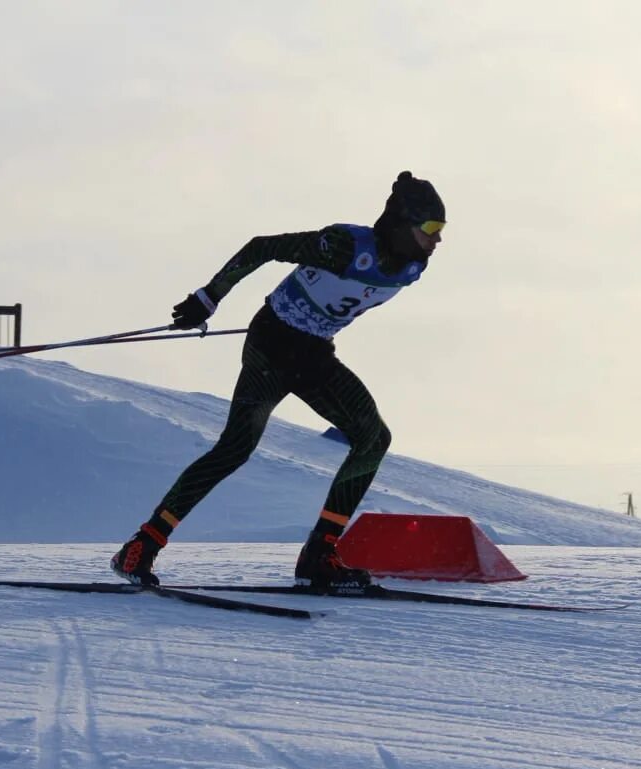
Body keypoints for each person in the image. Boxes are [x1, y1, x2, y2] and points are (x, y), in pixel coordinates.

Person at [110, 171, 446, 594]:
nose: (437, 240)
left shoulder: (412, 267)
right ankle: (141, 547)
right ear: (402, 224)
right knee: (235, 449)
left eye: (441, 231)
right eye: (431, 229)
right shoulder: (343, 245)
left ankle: (318, 556)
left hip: (313, 354)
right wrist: (209, 297)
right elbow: (262, 248)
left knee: (373, 437)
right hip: (272, 344)